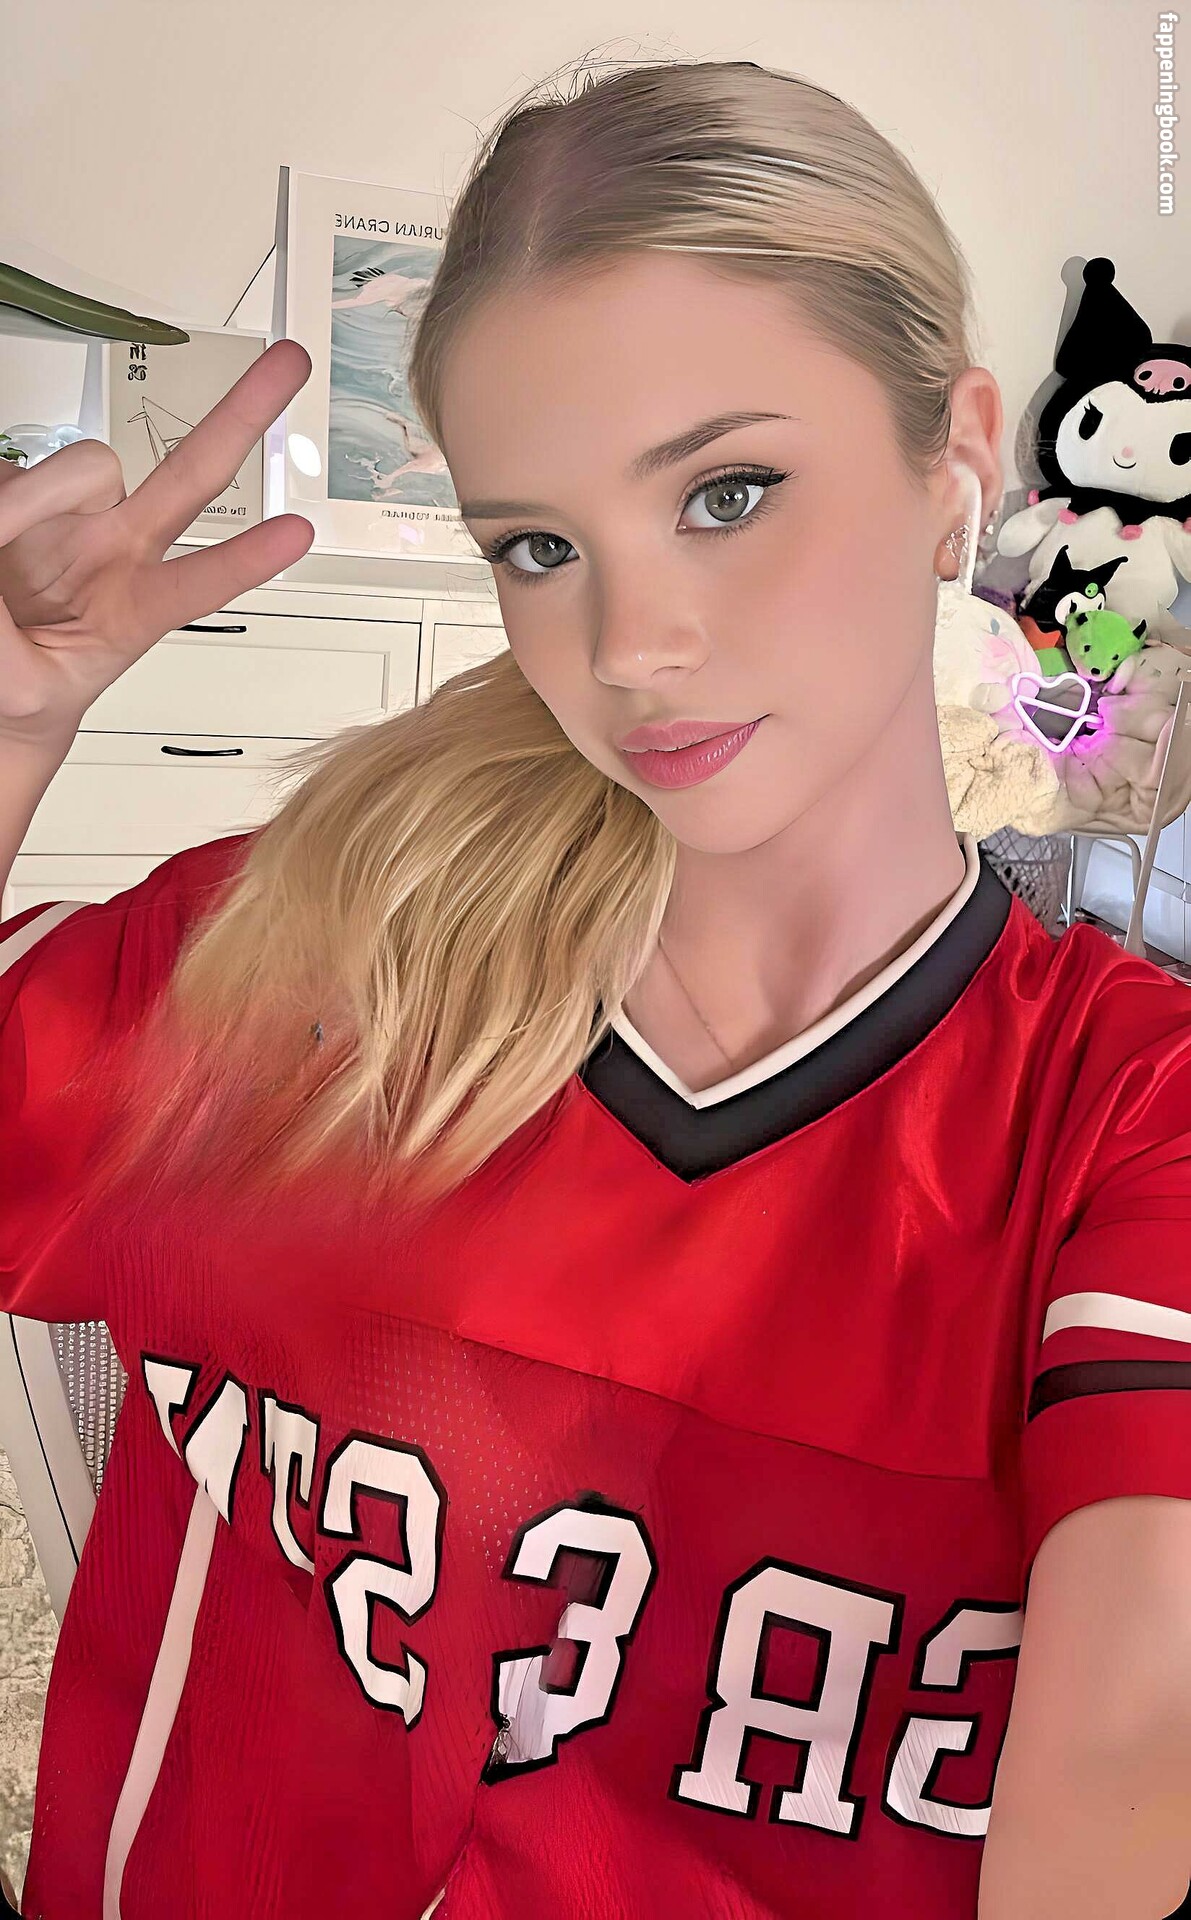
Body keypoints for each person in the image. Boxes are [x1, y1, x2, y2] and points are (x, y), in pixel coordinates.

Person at [1, 52, 1189, 1920]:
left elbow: (1137, 1763)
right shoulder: (296, 959)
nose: (632, 645)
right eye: (539, 549)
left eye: (729, 492)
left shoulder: (1127, 1122)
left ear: (958, 460)